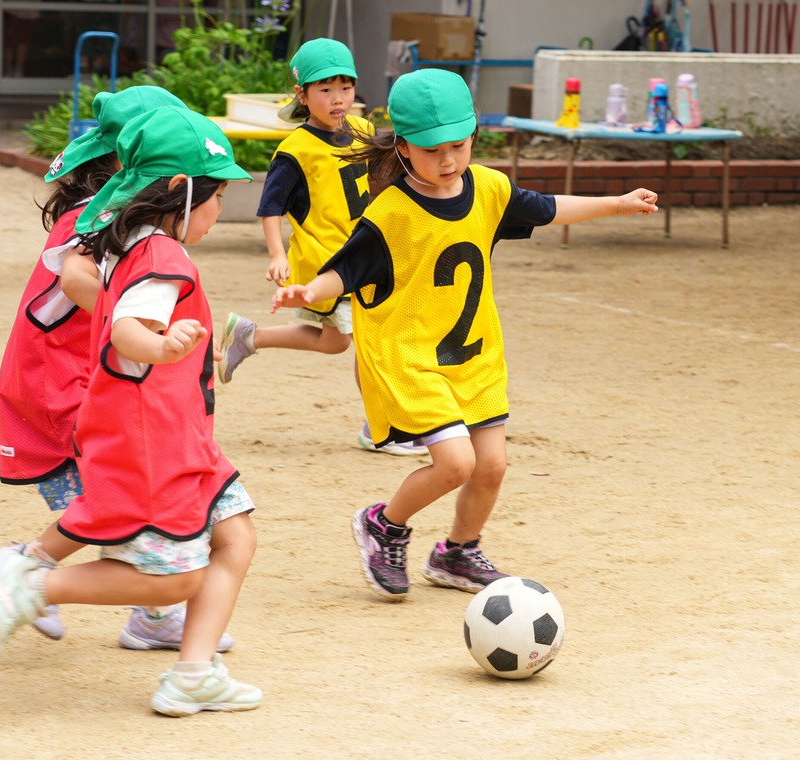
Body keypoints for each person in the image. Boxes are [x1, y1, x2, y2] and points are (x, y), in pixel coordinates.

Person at [271, 69, 659, 600]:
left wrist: (615, 204)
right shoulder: (390, 215)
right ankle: (384, 524)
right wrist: (309, 291)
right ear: (403, 147)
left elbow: (546, 208)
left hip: (474, 354)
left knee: (492, 466)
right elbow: (346, 271)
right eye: (433, 151)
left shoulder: (488, 189)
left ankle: (457, 551)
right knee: (456, 463)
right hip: (411, 356)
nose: (449, 160)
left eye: (459, 145)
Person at [0, 105, 262, 717]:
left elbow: (103, 294)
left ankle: (193, 672)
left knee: (235, 535)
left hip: (179, 431)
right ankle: (31, 583)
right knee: (175, 577)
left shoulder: (124, 237)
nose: (221, 212)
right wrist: (160, 345)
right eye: (218, 197)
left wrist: (182, 346)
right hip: (152, 436)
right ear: (182, 194)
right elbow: (129, 325)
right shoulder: (163, 256)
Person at [215, 38, 427, 457]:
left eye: (345, 88)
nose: (338, 99)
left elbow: (394, 165)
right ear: (302, 95)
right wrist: (277, 254)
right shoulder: (295, 150)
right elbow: (270, 207)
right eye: (325, 89)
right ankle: (380, 427)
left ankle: (249, 336)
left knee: (340, 341)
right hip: (330, 262)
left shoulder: (363, 131)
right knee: (365, 341)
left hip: (367, 256)